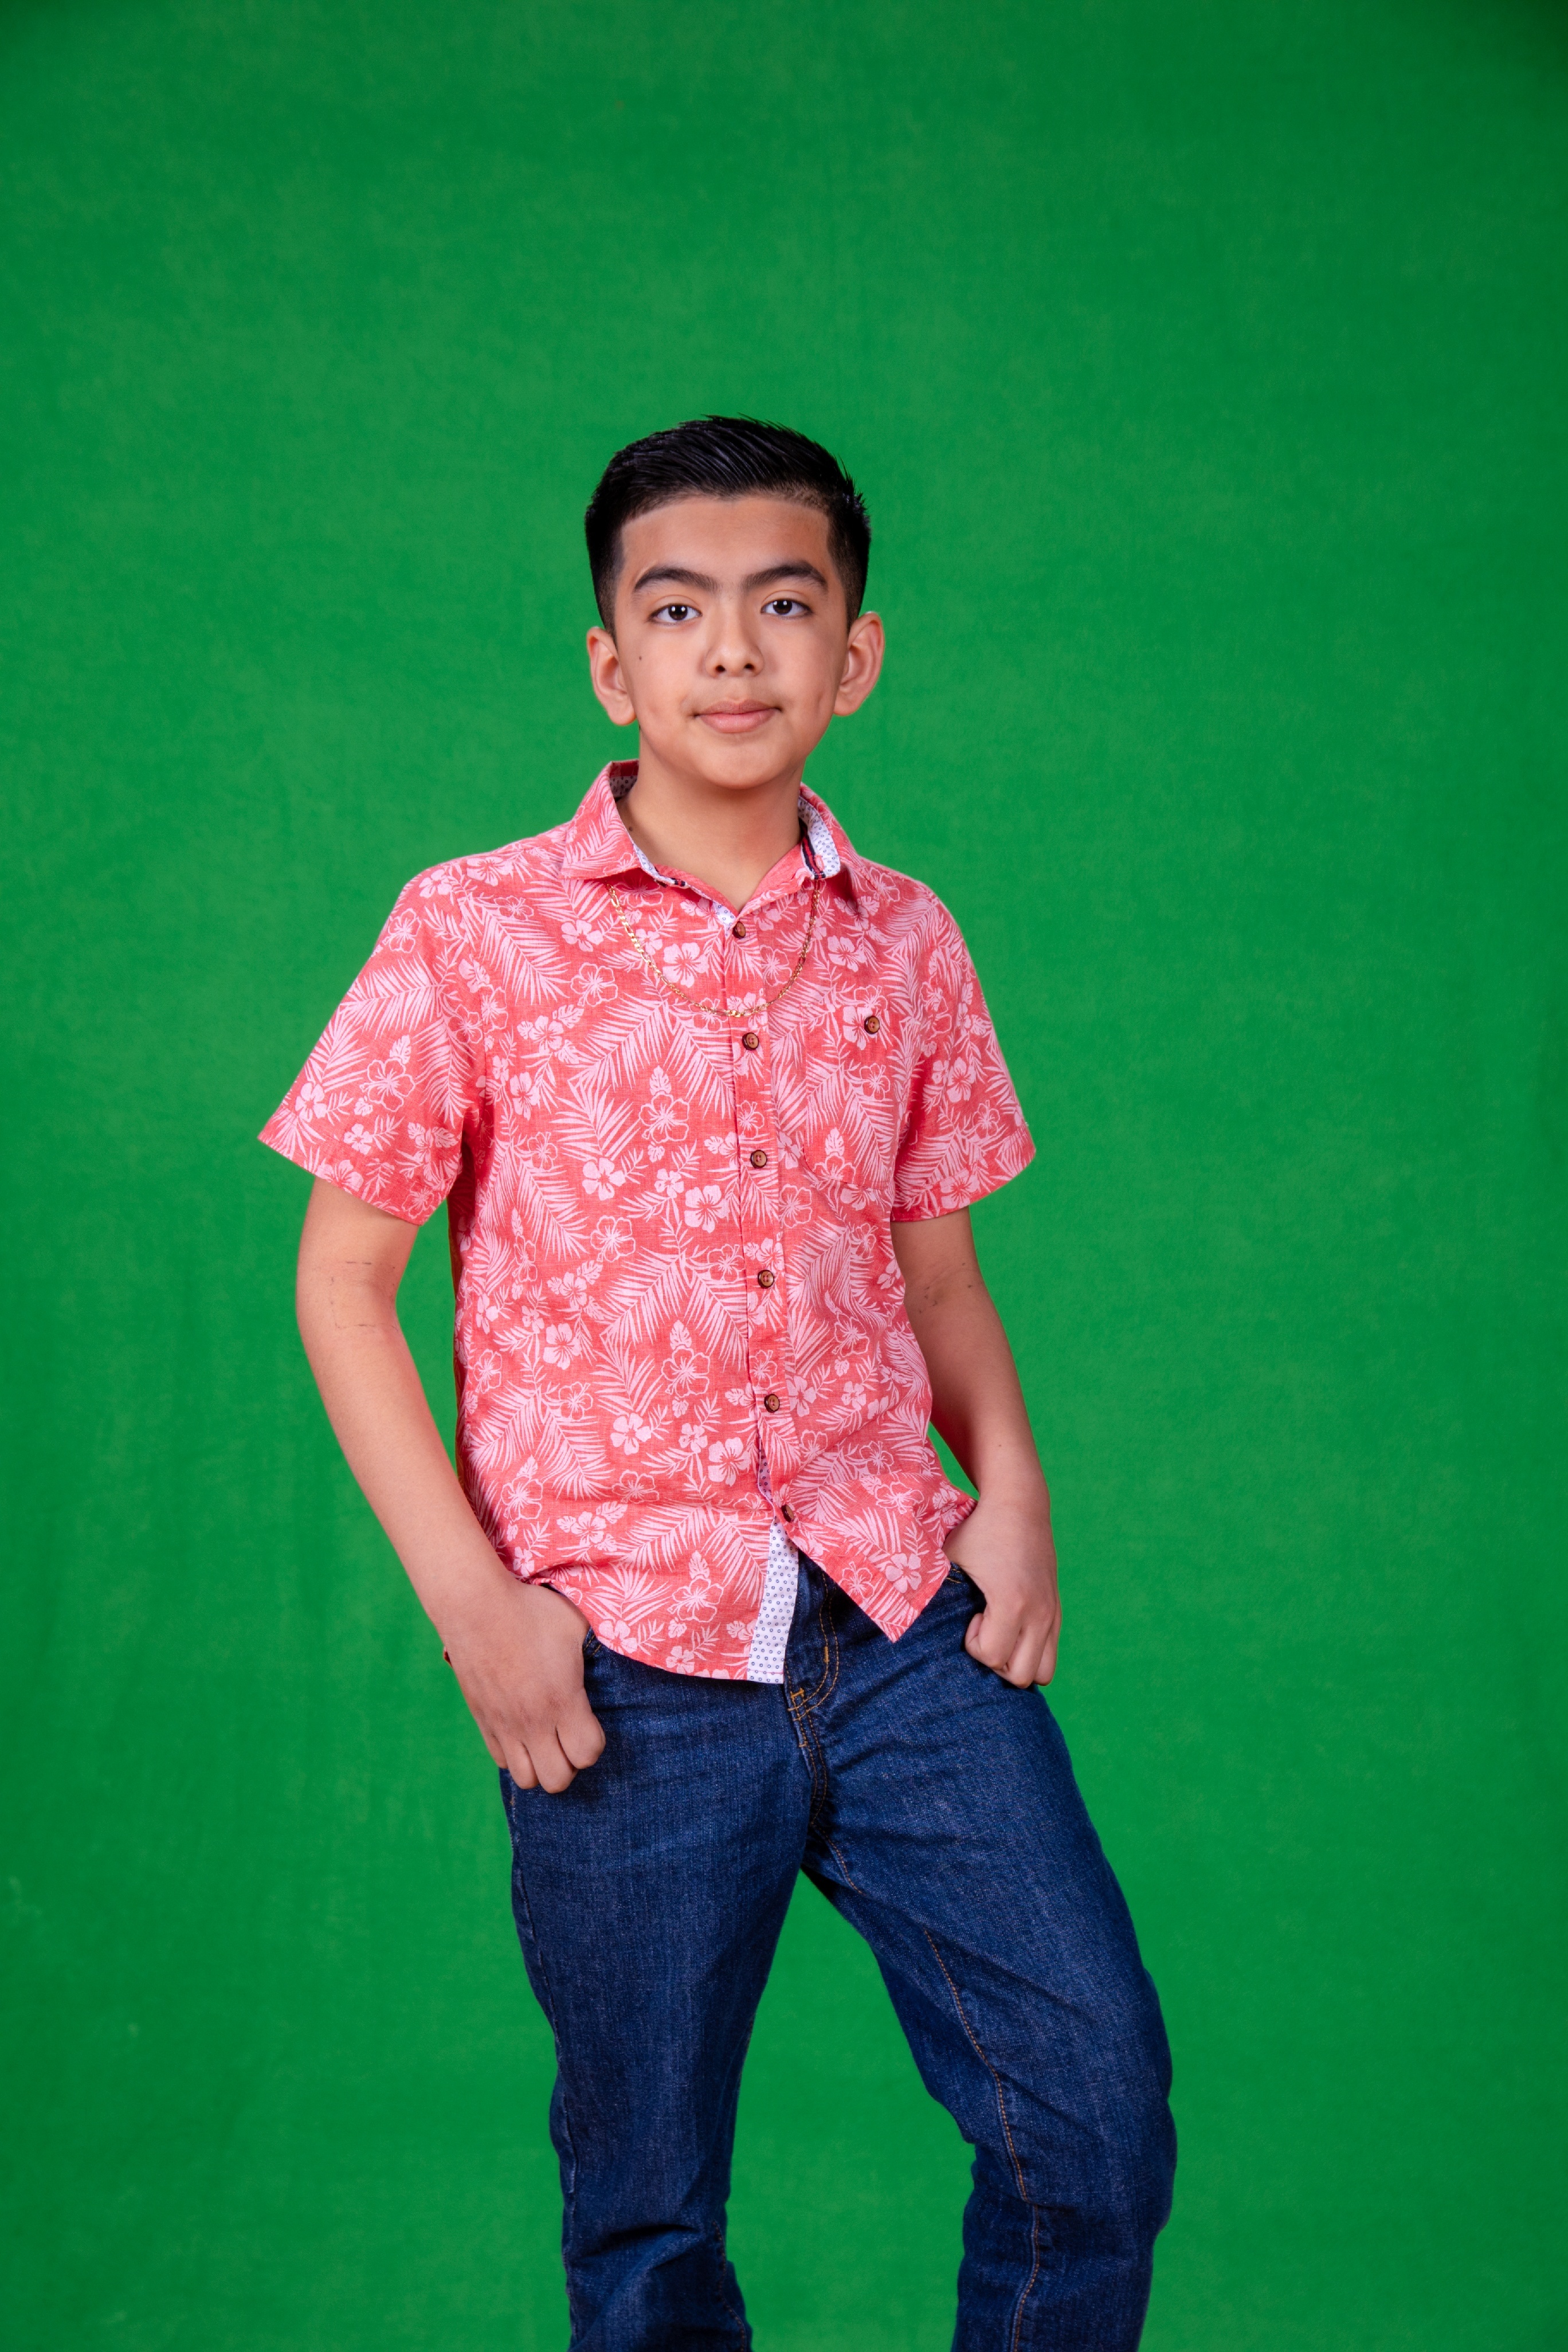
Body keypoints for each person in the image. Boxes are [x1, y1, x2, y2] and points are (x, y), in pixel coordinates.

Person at [262, 416, 1175, 2350]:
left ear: (857, 653)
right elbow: (342, 1285)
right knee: (650, 2219)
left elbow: (936, 1266)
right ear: (614, 663)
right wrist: (477, 1612)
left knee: (1095, 2118)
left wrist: (1014, 1493)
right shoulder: (471, 929)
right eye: (679, 611)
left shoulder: (907, 939)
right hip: (620, 1665)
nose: (735, 650)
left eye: (785, 604)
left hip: (900, 1615)